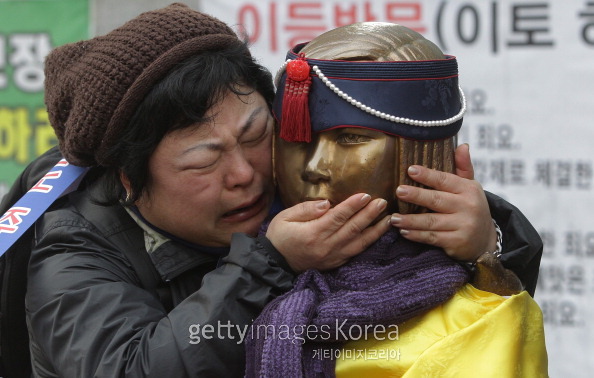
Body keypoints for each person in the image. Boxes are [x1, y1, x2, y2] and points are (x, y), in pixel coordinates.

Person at [0, 3, 538, 377]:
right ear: (127, 177)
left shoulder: (296, 184)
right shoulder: (73, 249)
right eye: (202, 160)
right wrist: (268, 262)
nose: (245, 174)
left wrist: (485, 242)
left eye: (257, 134)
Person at [245, 22, 547, 377]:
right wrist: (268, 262)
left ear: (415, 153)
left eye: (350, 138)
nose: (314, 167)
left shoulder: (474, 317)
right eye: (297, 137)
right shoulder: (228, 255)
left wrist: (489, 251)